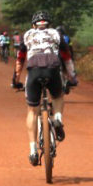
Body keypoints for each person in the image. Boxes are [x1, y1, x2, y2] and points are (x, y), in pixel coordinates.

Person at [17, 10, 66, 166]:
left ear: (34, 25)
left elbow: (20, 59)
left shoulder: (27, 35)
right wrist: (72, 77)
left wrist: (15, 79)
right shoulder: (56, 34)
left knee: (32, 110)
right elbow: (67, 58)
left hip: (34, 72)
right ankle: (57, 118)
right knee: (58, 96)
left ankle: (33, 150)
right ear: (49, 24)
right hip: (53, 70)